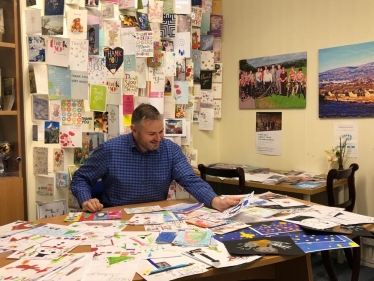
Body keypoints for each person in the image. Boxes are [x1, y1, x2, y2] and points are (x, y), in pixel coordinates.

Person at [71, 104, 241, 213]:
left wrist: (215, 200)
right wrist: (86, 200)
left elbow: (191, 180)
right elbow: (80, 178)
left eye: (161, 132)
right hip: (117, 217)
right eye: (151, 134)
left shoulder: (170, 150)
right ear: (134, 130)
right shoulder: (110, 150)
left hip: (156, 217)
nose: (158, 138)